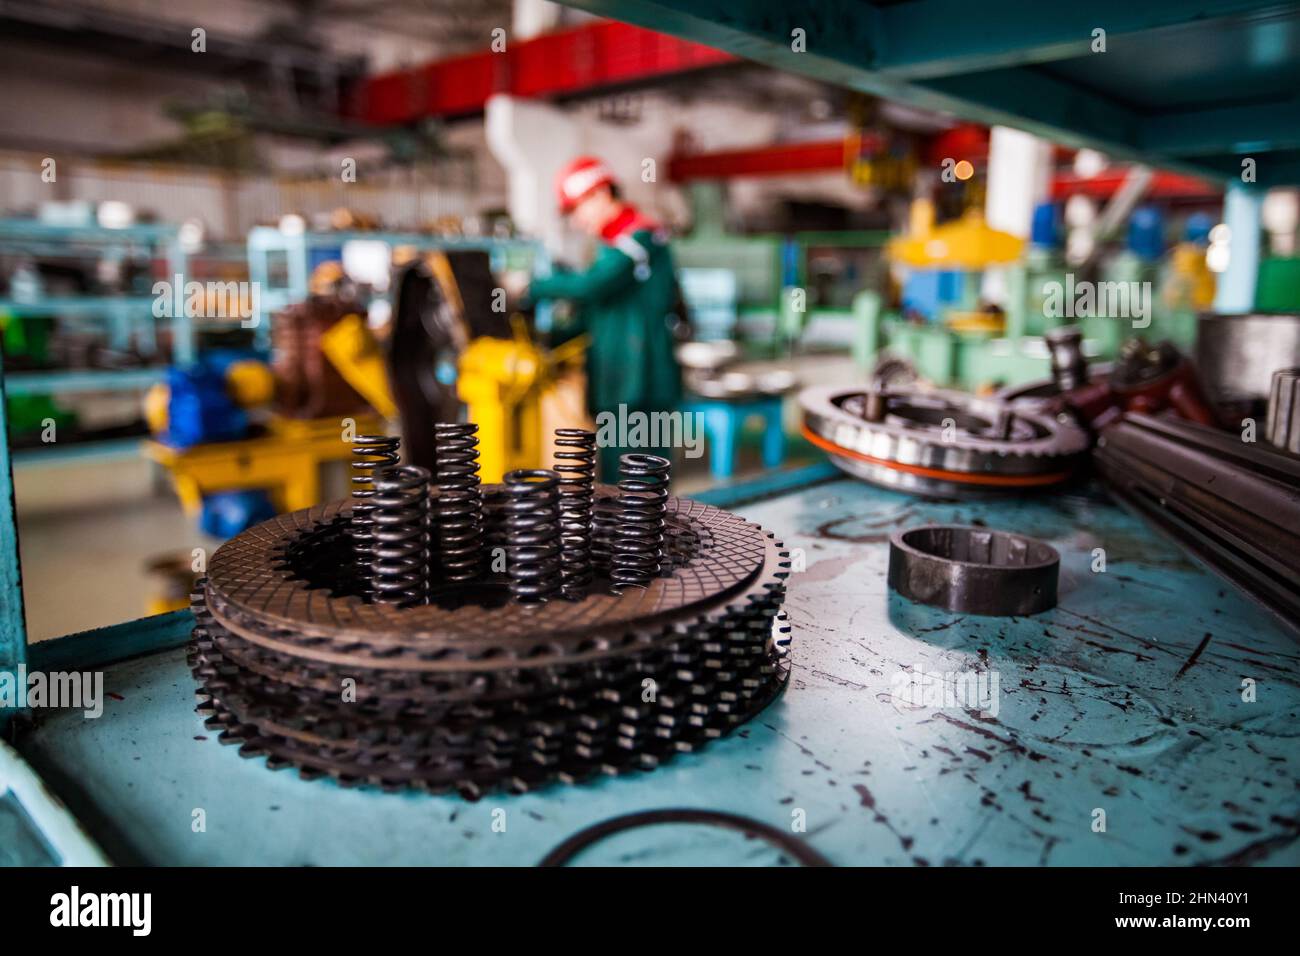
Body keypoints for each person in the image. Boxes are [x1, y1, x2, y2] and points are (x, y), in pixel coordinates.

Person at [520, 156, 683, 479]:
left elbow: (592, 286)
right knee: (614, 482)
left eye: (577, 209)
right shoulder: (612, 250)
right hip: (618, 384)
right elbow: (593, 314)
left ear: (601, 195)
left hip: (642, 386)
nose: (578, 221)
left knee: (640, 487)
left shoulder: (641, 239)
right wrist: (546, 340)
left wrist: (532, 286)